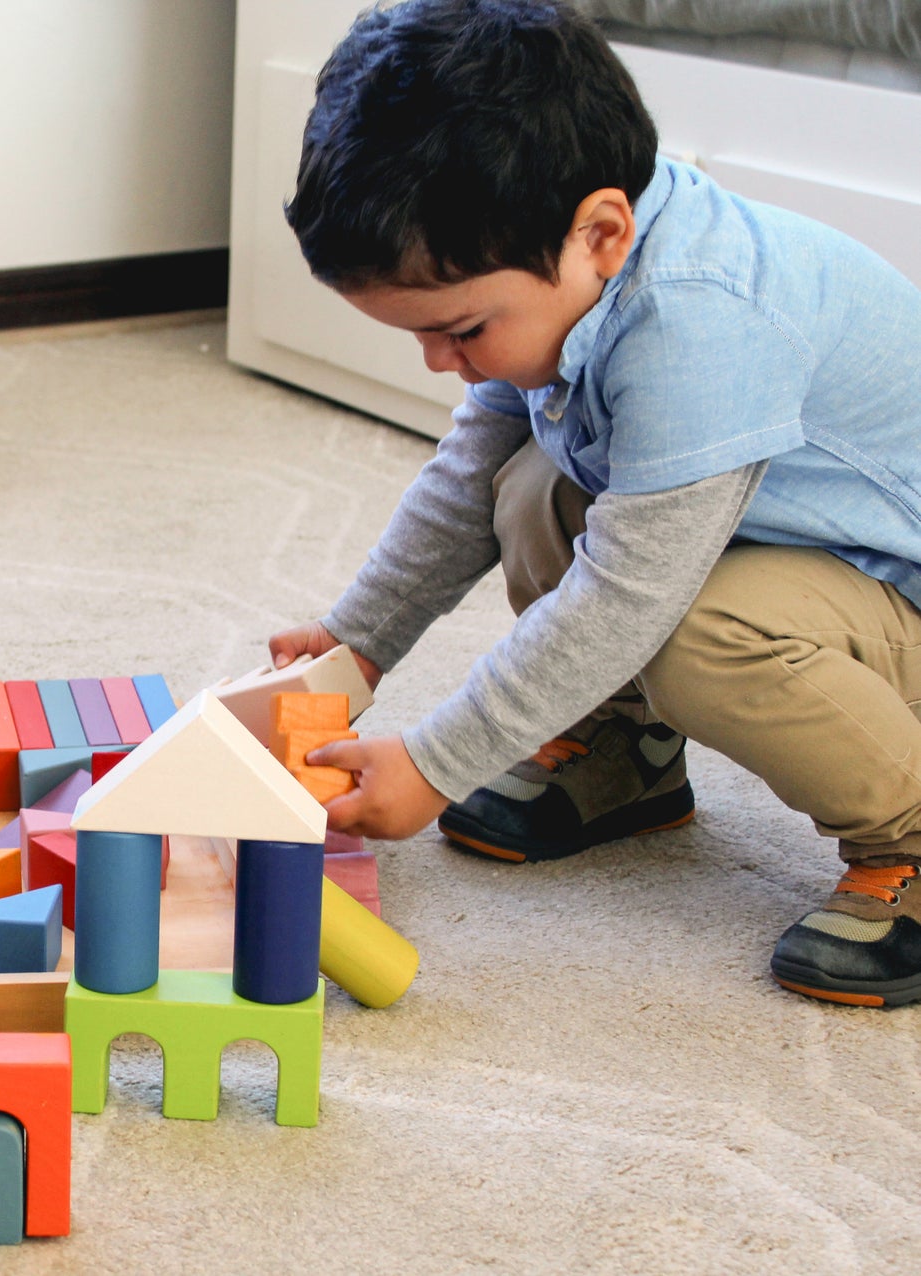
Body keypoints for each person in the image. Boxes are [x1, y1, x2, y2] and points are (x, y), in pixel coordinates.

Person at [269, 0, 921, 1007]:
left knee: (694, 634)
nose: (439, 362)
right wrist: (357, 640)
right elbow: (465, 477)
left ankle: (906, 836)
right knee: (529, 485)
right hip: (786, 544)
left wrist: (437, 761)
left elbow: (630, 593)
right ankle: (624, 747)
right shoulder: (565, 263)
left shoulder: (700, 320)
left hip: (895, 592)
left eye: (460, 330)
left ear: (602, 233)